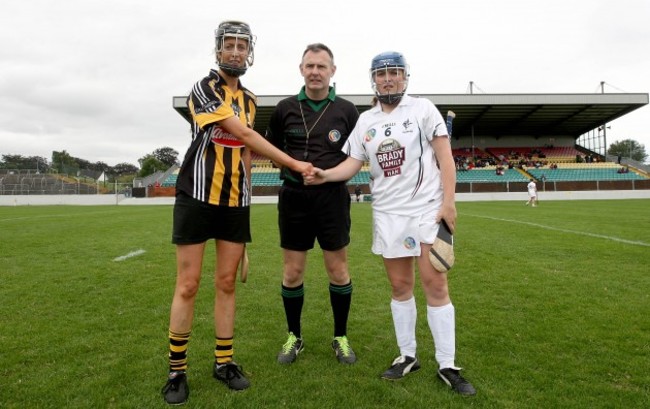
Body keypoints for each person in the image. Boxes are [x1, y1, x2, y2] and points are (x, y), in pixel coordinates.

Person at [305, 51, 476, 395]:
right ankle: (407, 355)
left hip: (426, 210)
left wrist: (449, 203)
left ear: (404, 76)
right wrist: (324, 175)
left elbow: (446, 158)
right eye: (382, 74)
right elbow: (351, 165)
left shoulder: (424, 109)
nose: (388, 79)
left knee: (436, 285)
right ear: (374, 79)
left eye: (395, 73)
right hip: (388, 214)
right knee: (400, 288)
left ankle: (448, 364)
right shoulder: (366, 121)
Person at [161, 21, 313, 405]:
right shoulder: (203, 88)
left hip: (233, 201)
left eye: (241, 45)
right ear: (218, 50)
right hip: (196, 195)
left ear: (249, 52)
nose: (235, 51)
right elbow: (244, 135)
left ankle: (224, 362)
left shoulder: (250, 99)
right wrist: (294, 164)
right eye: (228, 44)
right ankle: (177, 371)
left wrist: (246, 196)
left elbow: (244, 152)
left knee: (227, 284)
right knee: (188, 285)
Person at [265, 43, 360, 365]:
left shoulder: (347, 111)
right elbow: (273, 149)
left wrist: (326, 175)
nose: (315, 72)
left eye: (321, 66)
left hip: (332, 198)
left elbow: (355, 157)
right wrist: (295, 167)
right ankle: (294, 336)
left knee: (338, 269)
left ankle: (341, 336)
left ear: (332, 71)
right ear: (301, 69)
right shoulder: (284, 108)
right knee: (292, 272)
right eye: (310, 66)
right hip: (293, 199)